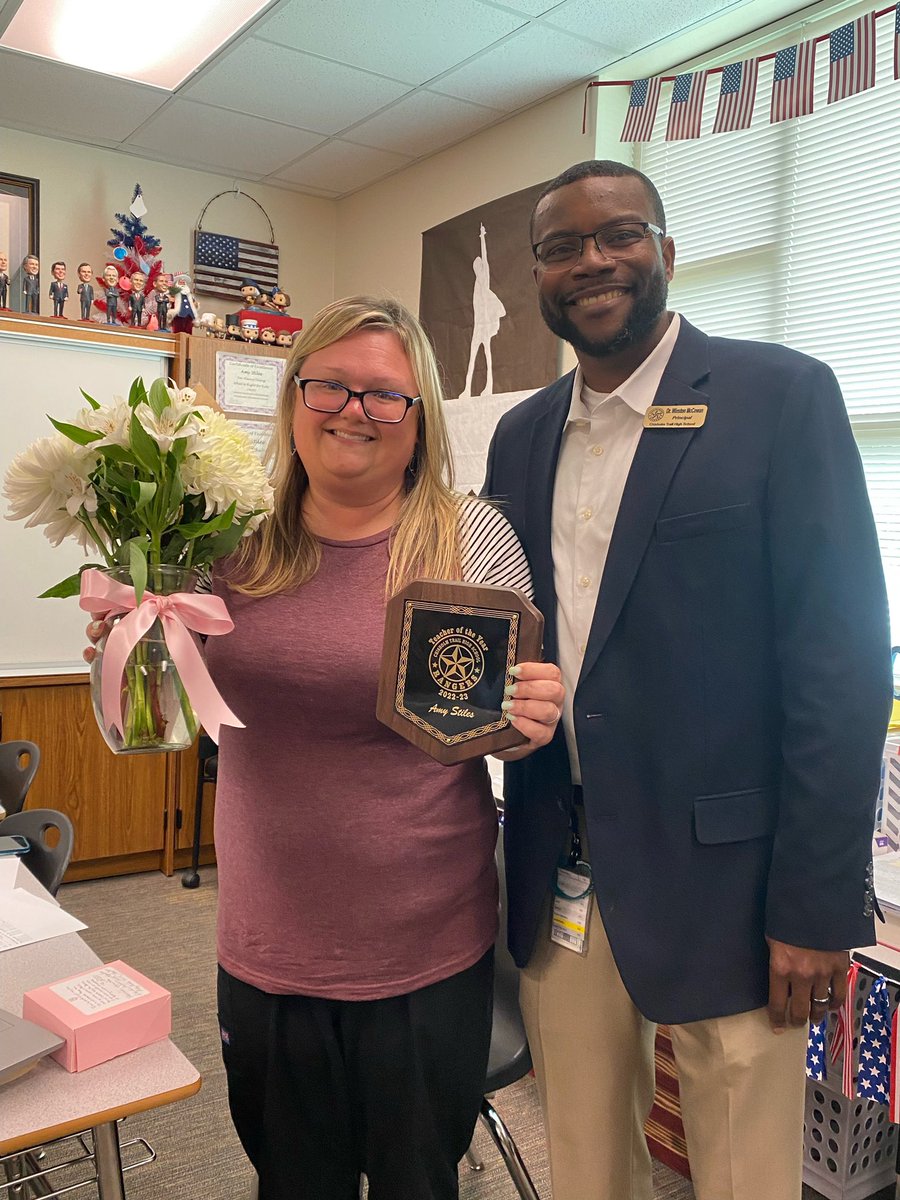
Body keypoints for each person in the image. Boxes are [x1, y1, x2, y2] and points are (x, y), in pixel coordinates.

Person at [85, 296, 563, 1200]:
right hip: (268, 949)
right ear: (293, 399)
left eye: (386, 395)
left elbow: (507, 709)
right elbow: (160, 697)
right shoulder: (219, 536)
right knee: (293, 1182)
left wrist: (534, 718)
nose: (354, 410)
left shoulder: (469, 539)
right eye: (330, 386)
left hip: (426, 954)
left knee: (420, 1184)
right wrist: (127, 650)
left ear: (419, 420)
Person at [482, 160, 891, 1200]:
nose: (592, 261)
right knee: (584, 1162)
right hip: (562, 867)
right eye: (563, 246)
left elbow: (840, 663)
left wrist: (813, 902)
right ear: (538, 275)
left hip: (737, 884)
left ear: (666, 249)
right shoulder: (522, 437)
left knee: (743, 1165)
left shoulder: (778, 396)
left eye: (619, 234)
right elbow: (507, 631)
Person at [462, 223, 506, 398]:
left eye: (479, 264)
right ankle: (467, 389)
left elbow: (485, 257)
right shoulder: (477, 285)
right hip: (477, 326)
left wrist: (482, 238)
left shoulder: (485, 280)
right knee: (472, 357)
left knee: (487, 354)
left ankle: (489, 386)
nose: (478, 266)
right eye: (476, 265)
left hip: (485, 325)